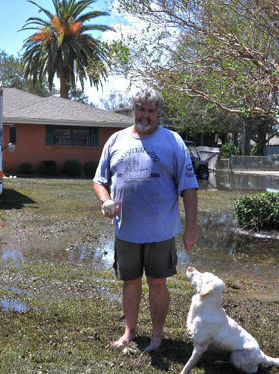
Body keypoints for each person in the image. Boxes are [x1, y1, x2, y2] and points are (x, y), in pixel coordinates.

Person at [93, 88, 198, 352]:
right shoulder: (116, 140)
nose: (146, 115)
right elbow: (99, 181)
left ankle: (157, 335)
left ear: (158, 113)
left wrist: (191, 229)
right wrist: (104, 199)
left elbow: (189, 187)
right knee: (130, 282)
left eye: (151, 111)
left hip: (161, 231)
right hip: (126, 230)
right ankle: (129, 332)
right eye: (141, 109)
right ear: (134, 110)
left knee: (158, 283)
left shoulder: (173, 142)